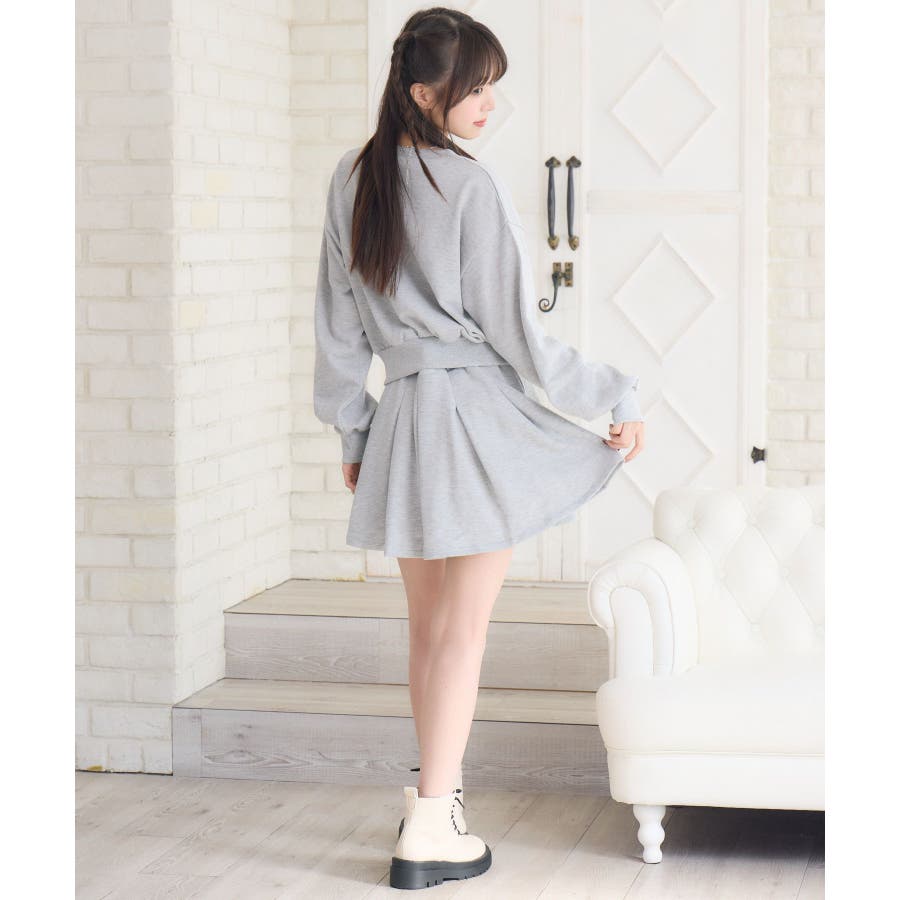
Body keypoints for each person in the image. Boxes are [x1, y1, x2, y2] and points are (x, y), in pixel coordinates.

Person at [313, 6, 645, 890]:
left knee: (429, 632)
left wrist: (355, 429)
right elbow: (519, 340)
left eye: (494, 86)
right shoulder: (468, 186)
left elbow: (338, 331)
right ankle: (434, 819)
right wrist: (614, 392)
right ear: (425, 94)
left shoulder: (351, 178)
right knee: (461, 636)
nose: (490, 104)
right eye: (475, 88)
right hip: (471, 423)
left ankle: (435, 799)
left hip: (402, 421)